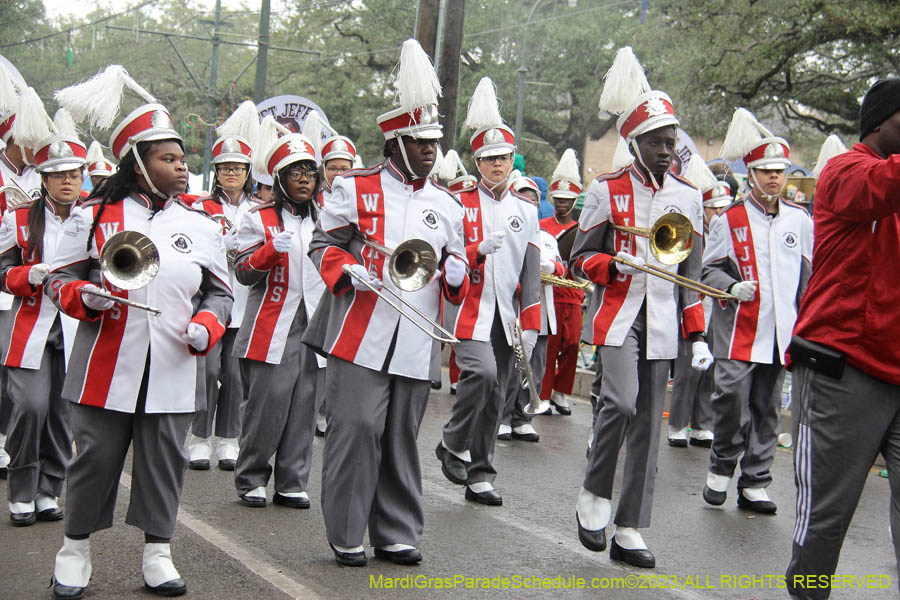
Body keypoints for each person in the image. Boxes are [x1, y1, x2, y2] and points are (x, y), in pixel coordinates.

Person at [47, 66, 232, 599]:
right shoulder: (93, 214)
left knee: (163, 463)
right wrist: (81, 297)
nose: (180, 167)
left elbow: (218, 293)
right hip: (105, 364)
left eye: (181, 158)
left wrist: (206, 325)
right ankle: (74, 550)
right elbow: (61, 276)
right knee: (94, 461)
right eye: (167, 159)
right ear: (138, 164)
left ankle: (158, 553)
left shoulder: (200, 222)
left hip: (174, 363)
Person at [305, 39, 469, 567]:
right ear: (396, 141)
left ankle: (396, 530)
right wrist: (344, 266)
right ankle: (348, 529)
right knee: (355, 428)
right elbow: (321, 244)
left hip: (417, 335)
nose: (430, 150)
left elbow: (456, 275)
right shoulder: (356, 187)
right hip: (360, 328)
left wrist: (459, 274)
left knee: (400, 435)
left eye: (434, 142)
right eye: (420, 142)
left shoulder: (447, 204)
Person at [571, 47, 711, 568]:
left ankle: (629, 525)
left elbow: (691, 277)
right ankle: (594, 491)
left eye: (671, 142)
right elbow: (579, 258)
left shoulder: (690, 197)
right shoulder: (605, 190)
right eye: (656, 141)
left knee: (651, 423)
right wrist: (614, 266)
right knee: (623, 405)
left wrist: (697, 336)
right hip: (617, 317)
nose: (665, 150)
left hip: (662, 324)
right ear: (634, 143)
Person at [785, 78, 900, 599]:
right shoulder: (844, 171)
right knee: (824, 527)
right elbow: (883, 188)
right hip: (843, 370)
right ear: (881, 121)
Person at [701, 108, 813, 515]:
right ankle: (721, 463)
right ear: (751, 174)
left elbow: (808, 277)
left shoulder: (800, 220)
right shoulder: (729, 218)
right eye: (766, 171)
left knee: (768, 407)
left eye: (779, 171)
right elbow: (707, 270)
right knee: (730, 396)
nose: (774, 178)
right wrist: (730, 286)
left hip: (782, 330)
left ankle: (756, 480)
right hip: (737, 330)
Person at [437, 76, 540, 507]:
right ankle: (452, 442)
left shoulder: (526, 208)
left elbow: (531, 272)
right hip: (468, 308)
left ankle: (481, 473)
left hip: (508, 314)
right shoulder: (459, 201)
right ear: (477, 163)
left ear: (512, 159)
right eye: (488, 159)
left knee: (499, 391)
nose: (497, 165)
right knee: (480, 374)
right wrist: (475, 253)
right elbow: (448, 257)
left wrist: (532, 322)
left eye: (503, 158)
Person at [0, 93, 84, 527]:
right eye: (58, 175)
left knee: (61, 413)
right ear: (44, 180)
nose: (67, 182)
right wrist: (25, 276)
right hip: (29, 325)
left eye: (73, 174)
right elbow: (2, 272)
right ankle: (21, 487)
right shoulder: (18, 219)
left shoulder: (94, 219)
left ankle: (50, 488)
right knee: (30, 407)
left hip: (75, 327)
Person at [231, 127, 322, 511]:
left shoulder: (327, 217)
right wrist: (269, 251)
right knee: (267, 404)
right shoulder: (257, 217)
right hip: (272, 323)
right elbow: (243, 271)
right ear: (280, 179)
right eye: (295, 172)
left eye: (310, 172)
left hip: (316, 322)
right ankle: (251, 476)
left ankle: (292, 480)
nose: (304, 179)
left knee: (305, 404)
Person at [188, 101, 259, 472]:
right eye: (225, 168)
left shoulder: (262, 207)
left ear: (248, 172)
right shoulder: (199, 206)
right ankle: (199, 436)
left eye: (238, 168)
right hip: (210, 298)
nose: (232, 173)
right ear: (216, 172)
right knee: (207, 370)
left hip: (246, 299)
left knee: (234, 374)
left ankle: (228, 438)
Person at [666, 156, 732, 448]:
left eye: (723, 207)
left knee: (711, 371)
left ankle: (703, 425)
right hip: (691, 306)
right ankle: (678, 424)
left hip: (716, 309)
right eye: (713, 207)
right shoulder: (691, 233)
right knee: (687, 371)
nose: (718, 212)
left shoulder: (729, 234)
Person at [497, 174, 559, 443]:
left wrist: (552, 267)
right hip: (514, 307)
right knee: (510, 368)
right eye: (523, 199)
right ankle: (502, 417)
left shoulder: (547, 236)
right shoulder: (505, 230)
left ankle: (524, 417)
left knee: (536, 366)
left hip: (542, 310)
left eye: (533, 200)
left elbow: (561, 265)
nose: (529, 204)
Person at [312, 128, 358, 436]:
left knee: (333, 357)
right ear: (323, 170)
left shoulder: (358, 198)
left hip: (340, 283)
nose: (338, 172)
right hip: (312, 280)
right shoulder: (311, 200)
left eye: (344, 167)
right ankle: (313, 410)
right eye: (333, 167)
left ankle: (330, 411)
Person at [539, 148, 585, 416]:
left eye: (567, 200)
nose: (562, 204)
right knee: (550, 345)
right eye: (558, 199)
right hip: (549, 294)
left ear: (574, 201)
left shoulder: (581, 229)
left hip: (573, 295)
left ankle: (560, 392)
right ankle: (543, 394)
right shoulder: (543, 224)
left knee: (571, 344)